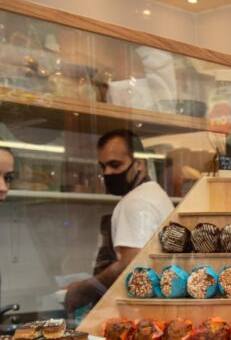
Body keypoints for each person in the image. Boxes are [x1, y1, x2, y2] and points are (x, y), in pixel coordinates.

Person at [64, 130, 173, 314]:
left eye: (115, 165)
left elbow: (132, 263)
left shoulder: (135, 202)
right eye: (103, 166)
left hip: (137, 310)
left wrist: (85, 288)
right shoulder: (156, 194)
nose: (108, 172)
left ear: (139, 164)